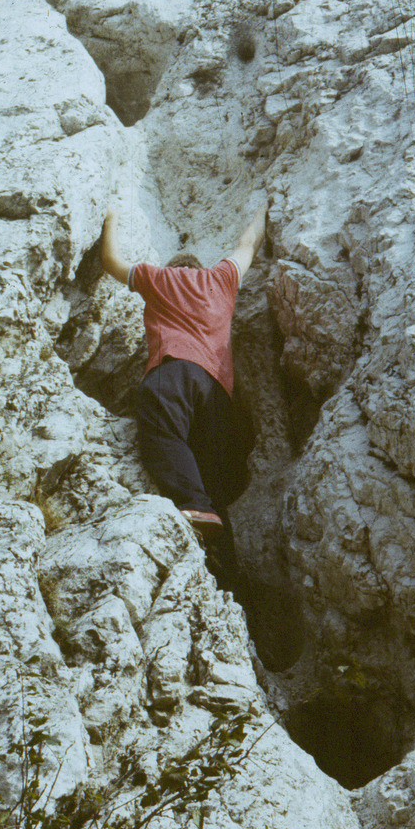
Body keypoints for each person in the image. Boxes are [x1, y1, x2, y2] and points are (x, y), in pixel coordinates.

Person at [100, 202, 267, 566]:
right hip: (216, 390)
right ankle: (223, 560)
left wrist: (111, 215)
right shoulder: (222, 279)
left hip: (172, 371)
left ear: (174, 267)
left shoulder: (160, 278)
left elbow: (111, 261)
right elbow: (249, 242)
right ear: (198, 267)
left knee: (164, 435)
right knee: (209, 471)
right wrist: (266, 206)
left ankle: (192, 504)